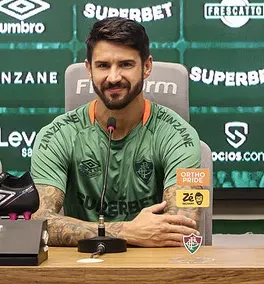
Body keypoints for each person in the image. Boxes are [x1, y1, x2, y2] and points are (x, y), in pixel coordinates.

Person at [31, 17, 202, 247]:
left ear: (147, 66)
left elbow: (184, 226)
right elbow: (38, 223)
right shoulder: (56, 135)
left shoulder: (181, 137)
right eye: (103, 65)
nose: (113, 77)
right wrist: (127, 231)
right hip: (81, 273)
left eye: (125, 64)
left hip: (153, 271)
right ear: (88, 69)